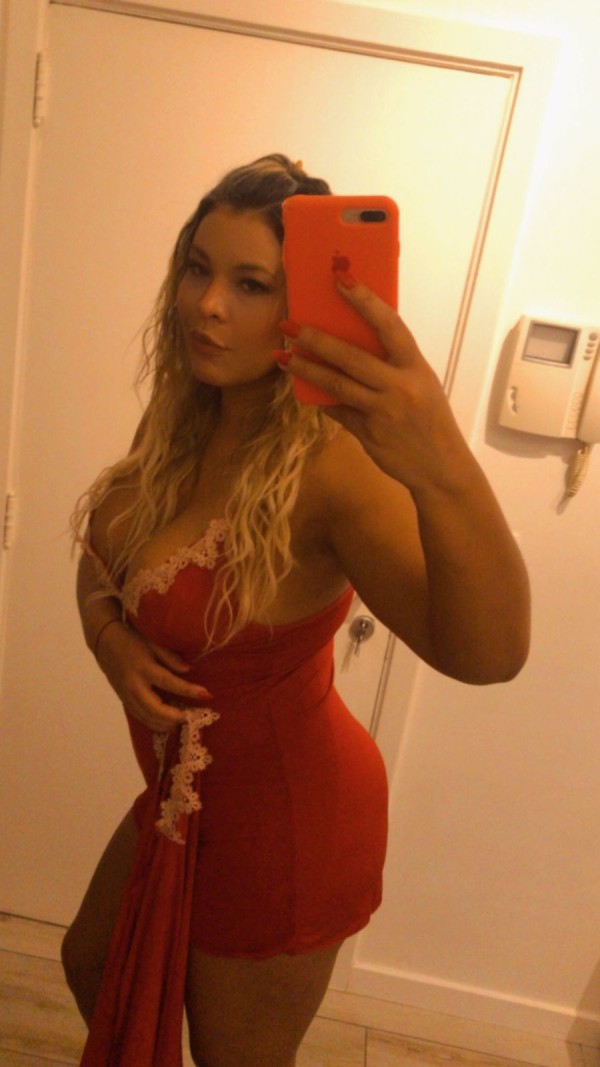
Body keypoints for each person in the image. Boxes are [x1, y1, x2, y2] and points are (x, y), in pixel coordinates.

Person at [61, 154, 530, 1067]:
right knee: (93, 963)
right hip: (179, 800)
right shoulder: (187, 420)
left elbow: (489, 654)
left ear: (303, 304)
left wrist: (441, 460)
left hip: (286, 828)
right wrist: (111, 637)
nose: (207, 305)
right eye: (198, 268)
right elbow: (104, 562)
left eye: (251, 284)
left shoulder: (333, 467)